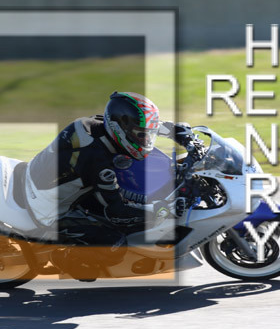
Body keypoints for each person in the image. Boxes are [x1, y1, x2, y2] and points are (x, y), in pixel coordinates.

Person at [22, 91, 191, 279]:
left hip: (50, 178)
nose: (146, 140)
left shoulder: (97, 125)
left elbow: (137, 125)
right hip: (50, 209)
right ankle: (67, 259)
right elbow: (118, 210)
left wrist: (174, 131)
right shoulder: (97, 160)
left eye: (148, 134)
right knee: (116, 244)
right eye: (141, 135)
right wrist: (161, 209)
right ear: (120, 129)